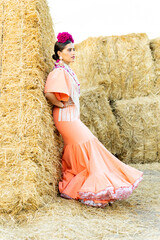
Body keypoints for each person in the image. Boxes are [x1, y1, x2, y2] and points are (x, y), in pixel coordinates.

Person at [44, 32, 143, 208]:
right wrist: (60, 105)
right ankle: (94, 186)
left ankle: (78, 184)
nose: (73, 53)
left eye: (74, 49)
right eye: (69, 50)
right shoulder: (58, 71)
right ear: (59, 53)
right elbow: (49, 93)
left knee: (86, 146)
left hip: (71, 117)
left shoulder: (66, 70)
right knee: (90, 143)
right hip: (66, 119)